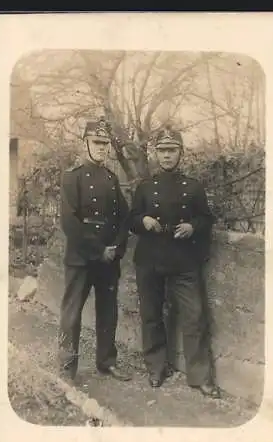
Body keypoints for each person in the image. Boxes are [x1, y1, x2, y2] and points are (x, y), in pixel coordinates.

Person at [128, 126, 221, 398]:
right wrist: (142, 221)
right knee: (151, 315)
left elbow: (206, 219)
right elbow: (131, 219)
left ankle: (200, 376)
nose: (167, 156)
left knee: (194, 316)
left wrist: (193, 226)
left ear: (180, 153)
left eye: (172, 150)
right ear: (155, 154)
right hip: (150, 259)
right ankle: (156, 368)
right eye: (162, 151)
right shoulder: (144, 188)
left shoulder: (193, 187)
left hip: (184, 261)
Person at [58, 118, 131, 383]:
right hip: (81, 257)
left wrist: (117, 249)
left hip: (109, 259)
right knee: (72, 311)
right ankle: (66, 367)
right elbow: (70, 222)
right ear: (85, 144)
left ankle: (106, 362)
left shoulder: (112, 179)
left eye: (105, 144)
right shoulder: (72, 177)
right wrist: (99, 250)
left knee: (108, 310)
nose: (102, 148)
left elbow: (125, 217)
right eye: (97, 143)